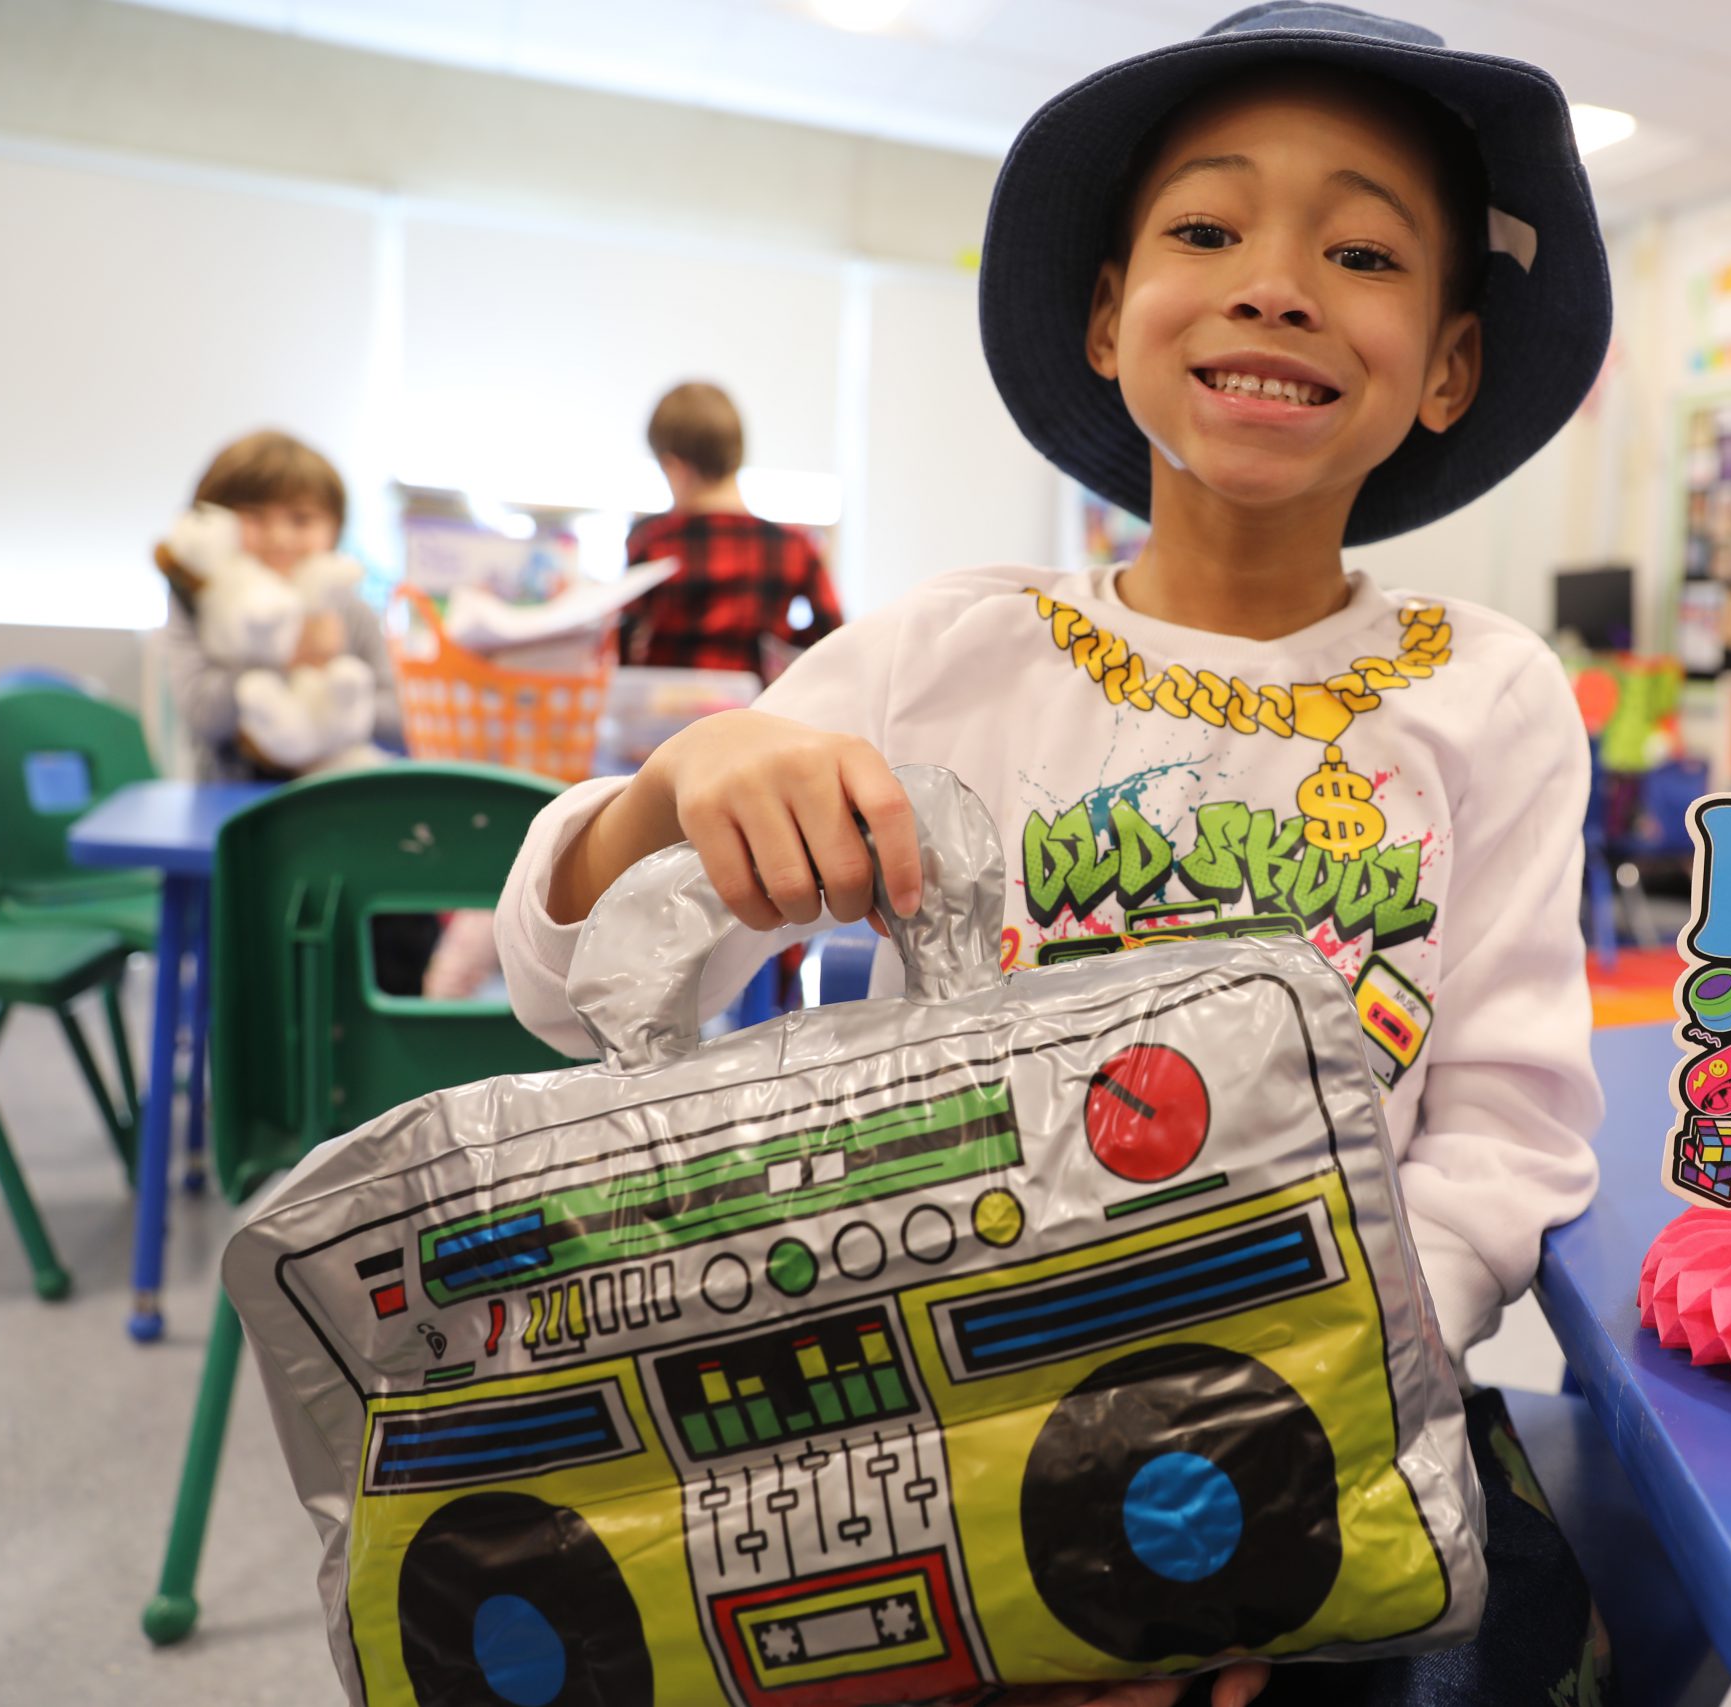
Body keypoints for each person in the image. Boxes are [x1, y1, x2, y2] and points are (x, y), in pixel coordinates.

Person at [497, 7, 1611, 1702]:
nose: (1278, 282)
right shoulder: (943, 657)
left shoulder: (1492, 694)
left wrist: (1289, 1421)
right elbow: (565, 990)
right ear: (1108, 318)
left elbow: (1507, 1136)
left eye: (1364, 249)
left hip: (1338, 1420)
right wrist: (681, 780)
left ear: (1447, 362)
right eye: (1207, 228)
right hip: (942, 1427)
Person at [158, 430, 400, 780]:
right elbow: (201, 712)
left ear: (335, 528)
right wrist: (290, 657)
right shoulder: (197, 604)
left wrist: (332, 702)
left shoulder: (351, 610)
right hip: (225, 796)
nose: (279, 537)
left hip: (333, 794)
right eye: (253, 517)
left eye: (301, 519)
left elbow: (398, 718)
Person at [618, 380, 843, 676]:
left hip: (670, 718)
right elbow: (836, 643)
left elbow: (622, 644)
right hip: (753, 715)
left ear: (674, 466)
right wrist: (785, 636)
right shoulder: (795, 547)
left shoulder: (653, 541)